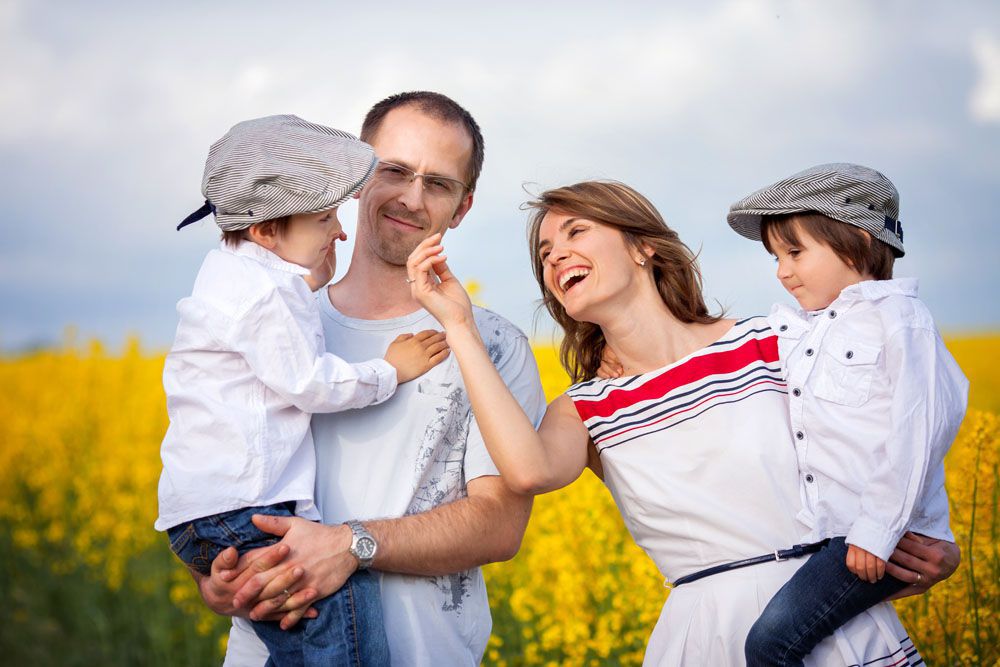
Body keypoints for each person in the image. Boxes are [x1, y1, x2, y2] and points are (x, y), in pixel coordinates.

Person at [405, 180, 960, 665]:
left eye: (576, 233)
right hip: (703, 638)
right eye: (545, 252)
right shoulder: (589, 406)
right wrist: (458, 325)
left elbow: (898, 421)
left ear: (644, 246)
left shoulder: (775, 342)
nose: (555, 257)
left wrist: (927, 541)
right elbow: (527, 472)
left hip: (827, 625)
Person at [195, 93, 546, 667]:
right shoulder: (271, 323)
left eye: (438, 184)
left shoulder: (494, 345)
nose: (411, 196)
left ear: (462, 207)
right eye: (395, 171)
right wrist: (214, 577)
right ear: (357, 178)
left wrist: (350, 545)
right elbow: (210, 473)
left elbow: (500, 525)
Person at [158, 114, 450, 665]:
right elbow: (308, 382)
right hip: (246, 507)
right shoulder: (269, 297)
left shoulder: (232, 275)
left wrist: (304, 281)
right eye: (323, 218)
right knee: (339, 614)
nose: (339, 231)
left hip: (205, 515)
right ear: (268, 230)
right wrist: (391, 370)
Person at [723, 163, 968, 666]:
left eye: (794, 253)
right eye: (775, 257)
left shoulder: (900, 319)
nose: (781, 271)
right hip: (836, 534)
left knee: (772, 644)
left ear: (857, 241)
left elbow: (917, 430)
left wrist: (877, 530)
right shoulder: (798, 328)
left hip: (882, 534)